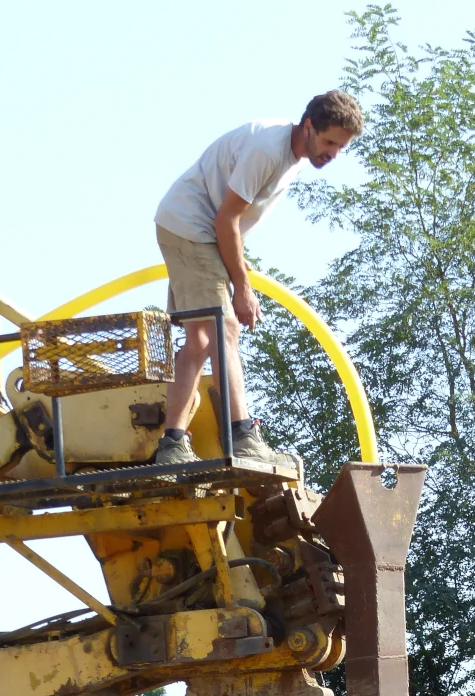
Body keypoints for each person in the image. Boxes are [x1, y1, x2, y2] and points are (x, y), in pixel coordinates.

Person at [153, 91, 364, 467]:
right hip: (192, 227)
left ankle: (172, 443)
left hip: (197, 229)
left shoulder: (295, 157)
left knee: (202, 339)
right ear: (309, 126)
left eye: (341, 147)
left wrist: (237, 263)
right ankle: (242, 435)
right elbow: (225, 218)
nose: (333, 153)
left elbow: (236, 218)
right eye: (330, 141)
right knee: (225, 329)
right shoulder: (268, 149)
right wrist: (242, 288)